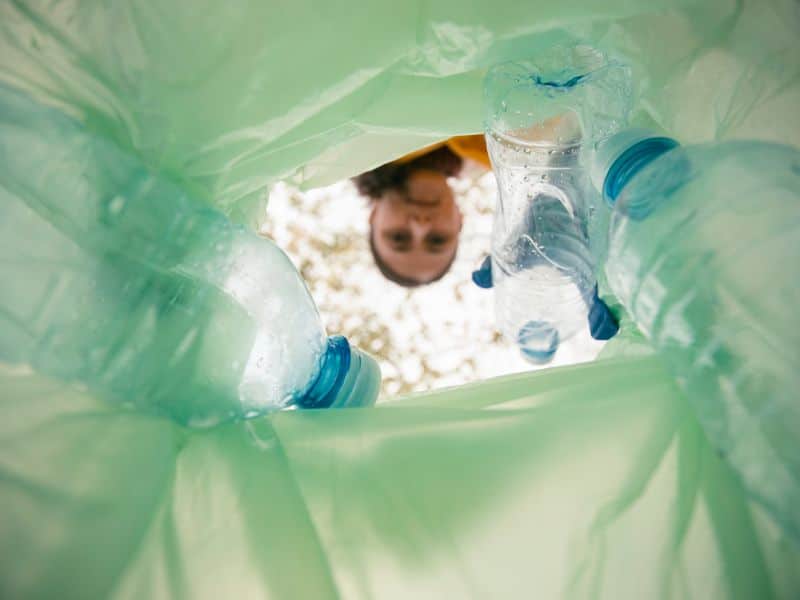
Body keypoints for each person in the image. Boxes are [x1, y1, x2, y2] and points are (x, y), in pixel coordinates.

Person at [353, 135, 490, 286]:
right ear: (460, 220)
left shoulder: (344, 140)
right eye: (437, 239)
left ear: (374, 216)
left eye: (398, 237)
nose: (421, 225)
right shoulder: (500, 149)